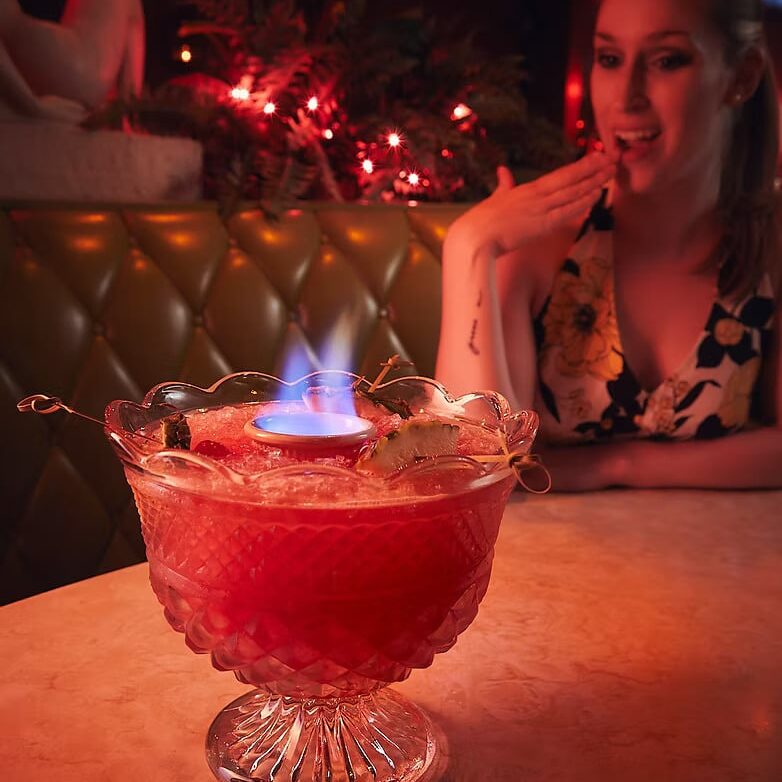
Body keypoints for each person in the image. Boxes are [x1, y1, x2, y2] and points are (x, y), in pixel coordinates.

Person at [436, 0, 781, 490]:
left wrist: (616, 465)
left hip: (730, 560)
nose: (626, 97)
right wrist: (469, 246)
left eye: (666, 61)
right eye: (609, 59)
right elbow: (477, 472)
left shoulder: (768, 241)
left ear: (741, 77)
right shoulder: (540, 245)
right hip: (551, 562)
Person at [0, 0, 143, 122]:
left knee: (12, 25)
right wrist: (129, 117)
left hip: (67, 61)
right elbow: (130, 90)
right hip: (81, 72)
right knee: (12, 25)